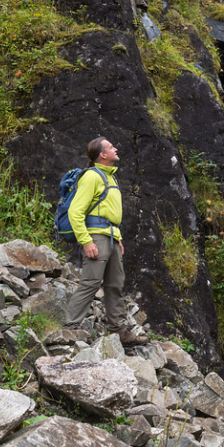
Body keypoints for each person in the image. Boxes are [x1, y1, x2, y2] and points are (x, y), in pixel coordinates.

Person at [64, 137, 148, 345]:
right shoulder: (92, 177)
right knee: (91, 283)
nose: (116, 148)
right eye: (111, 147)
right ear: (102, 154)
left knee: (115, 285)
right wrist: (86, 241)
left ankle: (120, 332)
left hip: (111, 238)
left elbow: (108, 213)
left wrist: (117, 238)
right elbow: (75, 211)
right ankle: (69, 328)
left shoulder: (111, 178)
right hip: (96, 238)